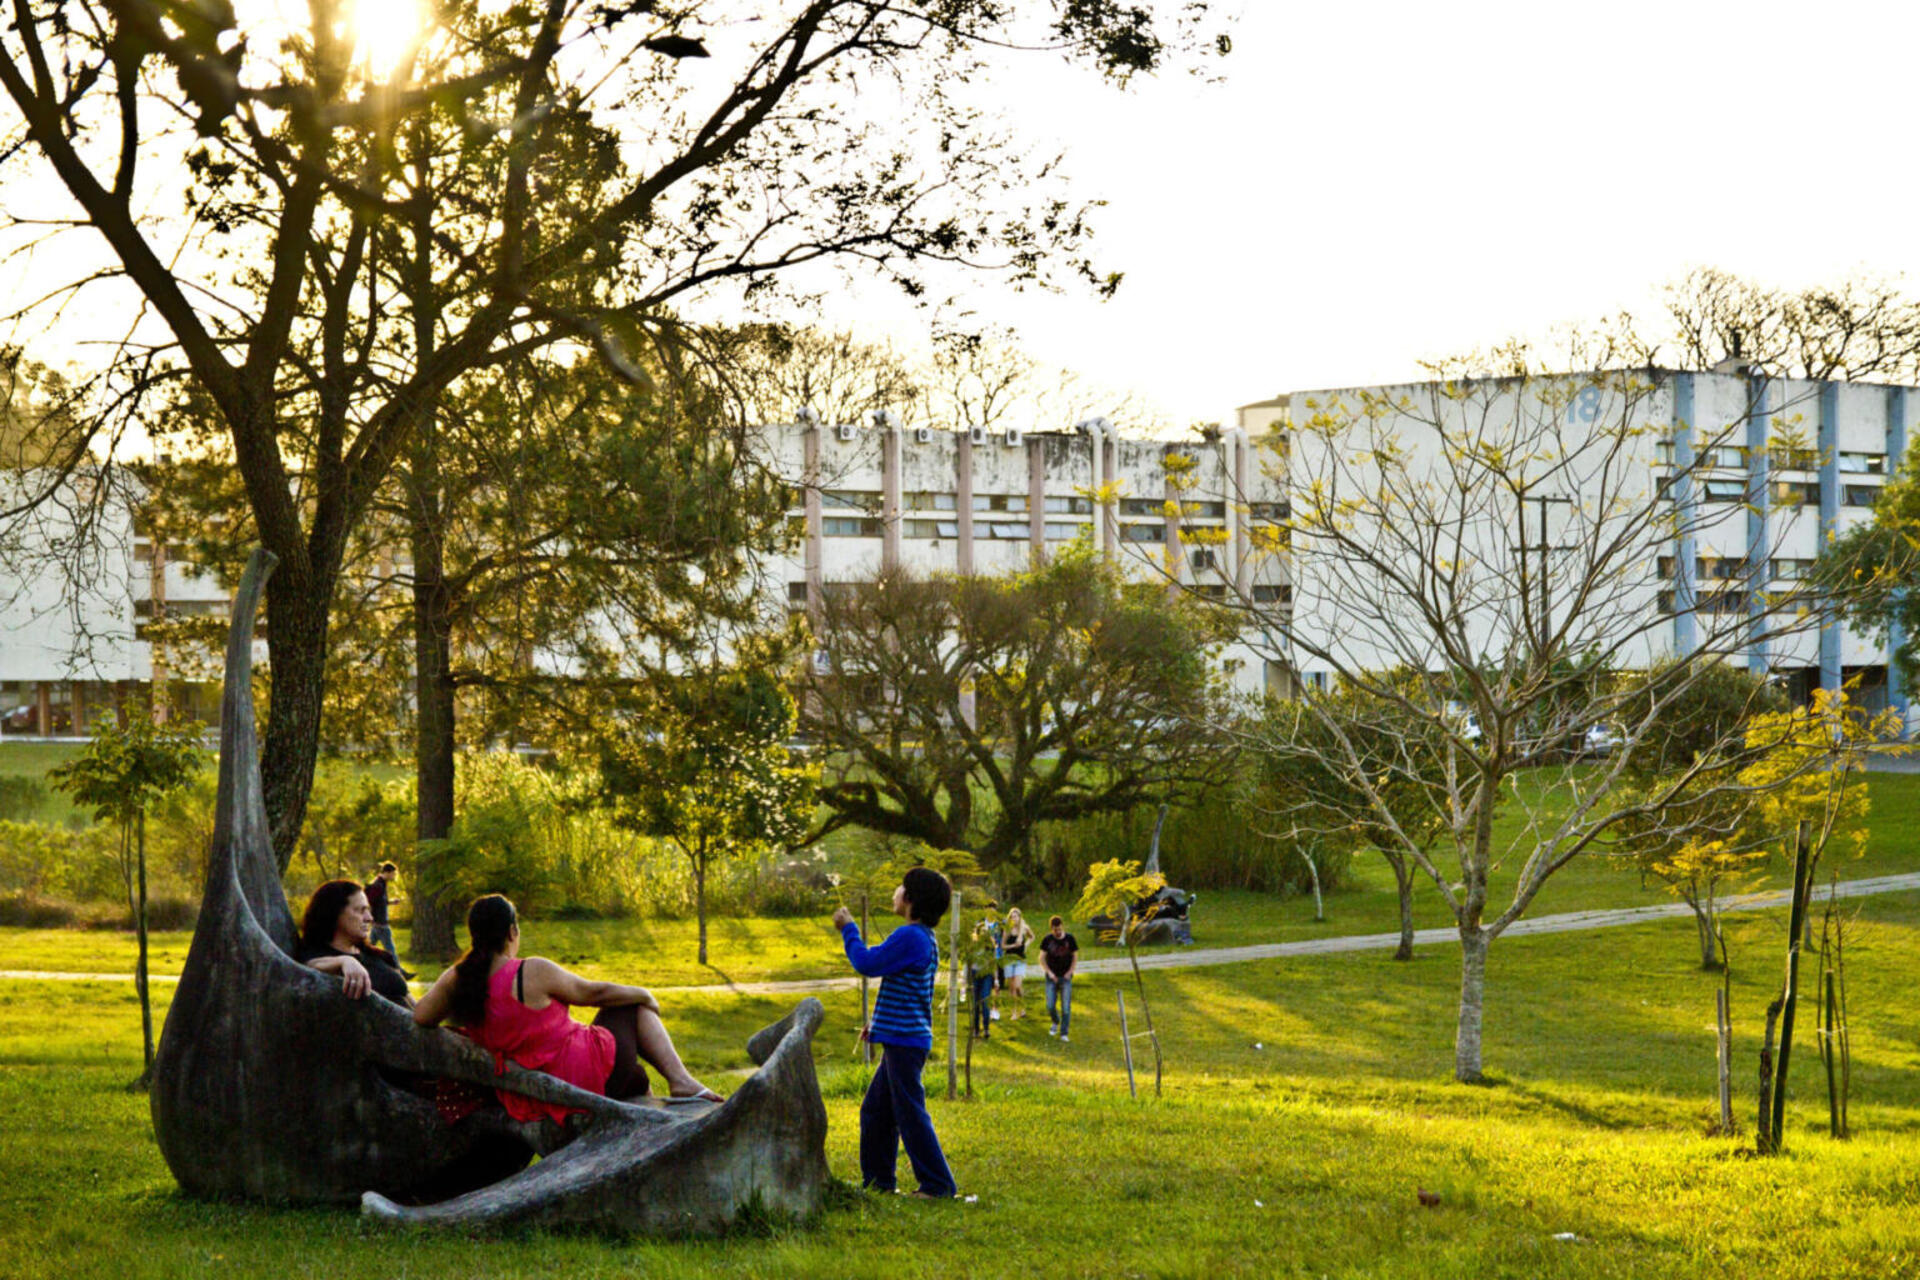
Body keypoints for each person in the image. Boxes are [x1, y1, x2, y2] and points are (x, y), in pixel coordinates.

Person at [412, 894, 721, 1125]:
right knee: (631, 1009)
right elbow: (593, 992)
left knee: (637, 1080)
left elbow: (422, 1015)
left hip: (528, 1096)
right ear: (511, 932)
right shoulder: (529, 971)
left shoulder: (459, 978)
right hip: (577, 1079)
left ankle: (655, 1103)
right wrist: (644, 993)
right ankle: (681, 1081)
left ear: (473, 936)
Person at [832, 868, 958, 1199]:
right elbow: (908, 992)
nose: (896, 891)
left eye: (901, 887)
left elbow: (867, 963)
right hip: (902, 1039)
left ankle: (938, 1185)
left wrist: (849, 930)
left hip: (905, 1043)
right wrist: (879, 1025)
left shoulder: (911, 937)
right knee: (875, 1111)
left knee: (910, 1114)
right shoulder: (922, 938)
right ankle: (878, 1185)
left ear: (912, 899)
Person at [298, 879, 412, 1006]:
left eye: (368, 910)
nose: (369, 918)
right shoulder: (315, 955)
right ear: (334, 913)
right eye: (360, 910)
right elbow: (306, 968)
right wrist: (344, 961)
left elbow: (412, 1004)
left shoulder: (380, 956)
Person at [1039, 914, 1079, 1042]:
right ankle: (1055, 1021)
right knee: (1050, 1005)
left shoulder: (1070, 939)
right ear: (1051, 929)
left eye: (1059, 929)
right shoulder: (1047, 940)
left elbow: (1075, 957)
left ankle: (1064, 1032)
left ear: (1062, 927)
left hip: (1065, 977)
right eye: (1055, 930)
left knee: (1066, 1007)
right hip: (1052, 977)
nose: (1058, 932)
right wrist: (1049, 973)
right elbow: (1041, 958)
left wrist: (1070, 972)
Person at [364, 861, 407, 968]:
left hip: (378, 923)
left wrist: (391, 902)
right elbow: (370, 902)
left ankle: (361, 963)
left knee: (368, 947)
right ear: (387, 872)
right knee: (390, 949)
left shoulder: (382, 885)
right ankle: (400, 971)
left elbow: (380, 902)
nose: (394, 876)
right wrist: (372, 919)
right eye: (393, 873)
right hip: (380, 923)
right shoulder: (378, 885)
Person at [1000, 908, 1034, 1020]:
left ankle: (1022, 1006)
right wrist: (1013, 946)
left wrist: (1026, 945)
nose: (1014, 918)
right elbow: (1002, 946)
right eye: (1012, 916)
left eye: (1016, 916)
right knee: (1012, 988)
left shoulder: (1024, 928)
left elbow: (1032, 937)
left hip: (1020, 960)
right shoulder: (1007, 930)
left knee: (1018, 986)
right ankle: (1014, 1011)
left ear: (1020, 917)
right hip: (1009, 959)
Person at [967, 921, 997, 1040]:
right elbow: (967, 963)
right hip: (974, 974)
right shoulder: (972, 946)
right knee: (975, 1003)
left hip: (987, 975)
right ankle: (975, 1029)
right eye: (982, 932)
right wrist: (965, 979)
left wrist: (996, 980)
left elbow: (994, 962)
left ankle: (986, 1028)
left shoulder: (990, 946)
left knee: (985, 1001)